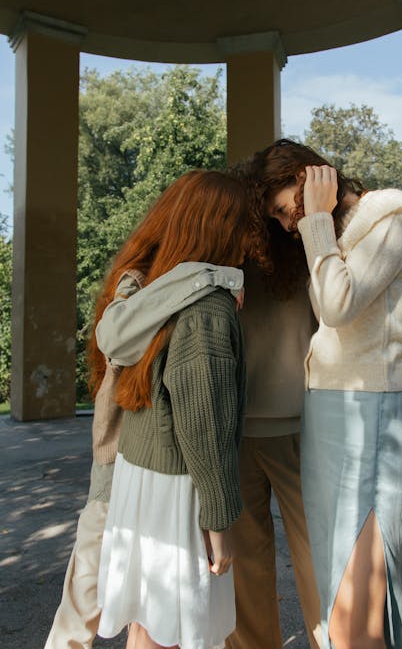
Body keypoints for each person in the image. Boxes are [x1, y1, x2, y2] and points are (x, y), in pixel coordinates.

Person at [44, 169, 248, 649]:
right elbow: (204, 425)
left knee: (142, 621)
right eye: (243, 225)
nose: (249, 239)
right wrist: (220, 520)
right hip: (169, 487)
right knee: (164, 626)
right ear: (221, 227)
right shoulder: (203, 306)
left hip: (136, 471)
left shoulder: (150, 287)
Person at [249, 139, 402, 649]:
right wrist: (316, 226)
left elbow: (338, 306)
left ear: (307, 180)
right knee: (331, 572)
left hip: (369, 410)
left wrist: (315, 221)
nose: (286, 223)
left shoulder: (390, 214)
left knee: (357, 587)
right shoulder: (330, 233)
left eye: (285, 209)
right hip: (324, 408)